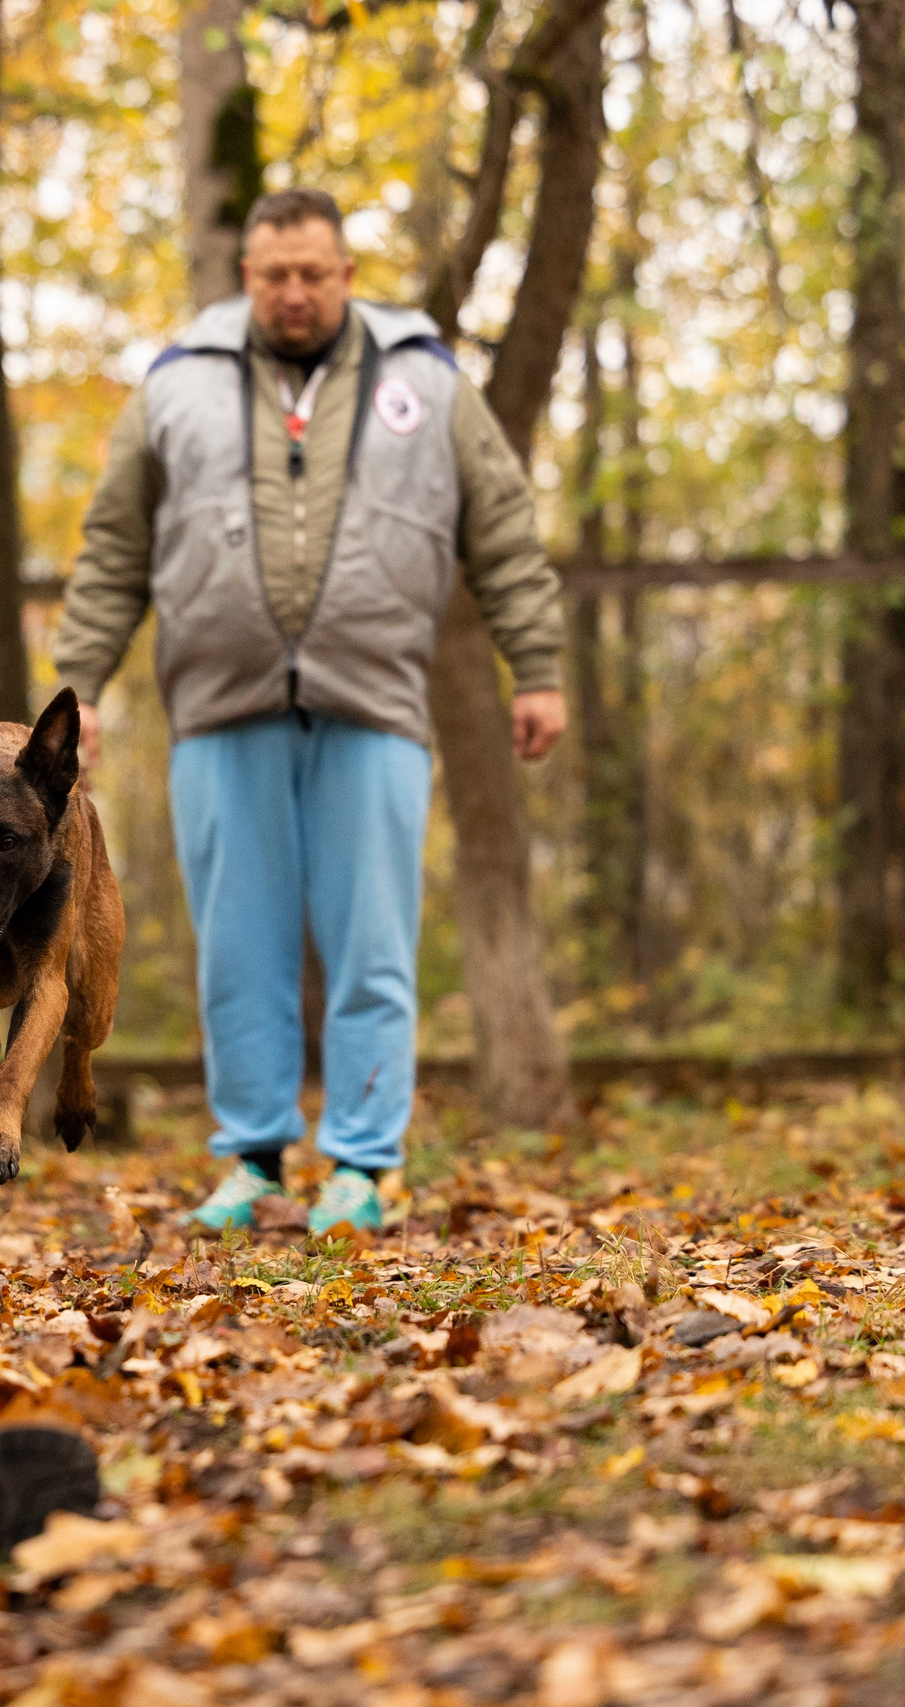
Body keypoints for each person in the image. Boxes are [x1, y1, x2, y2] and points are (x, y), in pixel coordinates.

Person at [49, 188, 568, 1237]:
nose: (294, 292)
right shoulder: (176, 387)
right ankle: (251, 1162)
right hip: (218, 707)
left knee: (372, 941)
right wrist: (82, 685)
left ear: (345, 275)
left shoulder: (423, 378)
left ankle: (363, 1169)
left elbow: (503, 527)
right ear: (246, 278)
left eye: (314, 274)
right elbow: (113, 549)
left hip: (373, 702)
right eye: (273, 274)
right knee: (237, 947)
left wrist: (539, 665)